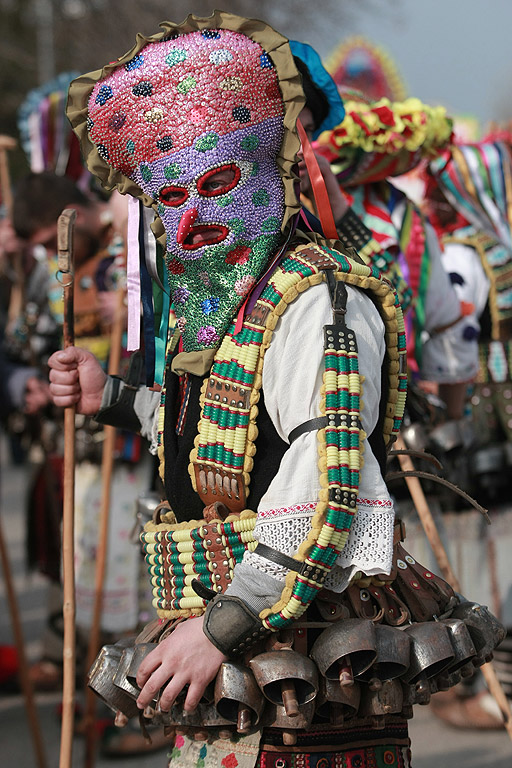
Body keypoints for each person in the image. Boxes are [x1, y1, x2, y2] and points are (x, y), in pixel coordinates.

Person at [48, 12, 503, 767]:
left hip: (300, 650)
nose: (191, 221)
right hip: (235, 641)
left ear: (268, 173)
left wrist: (221, 628)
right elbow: (230, 439)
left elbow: (325, 483)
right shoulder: (236, 309)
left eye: (216, 184)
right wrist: (113, 398)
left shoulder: (316, 300)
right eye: (169, 200)